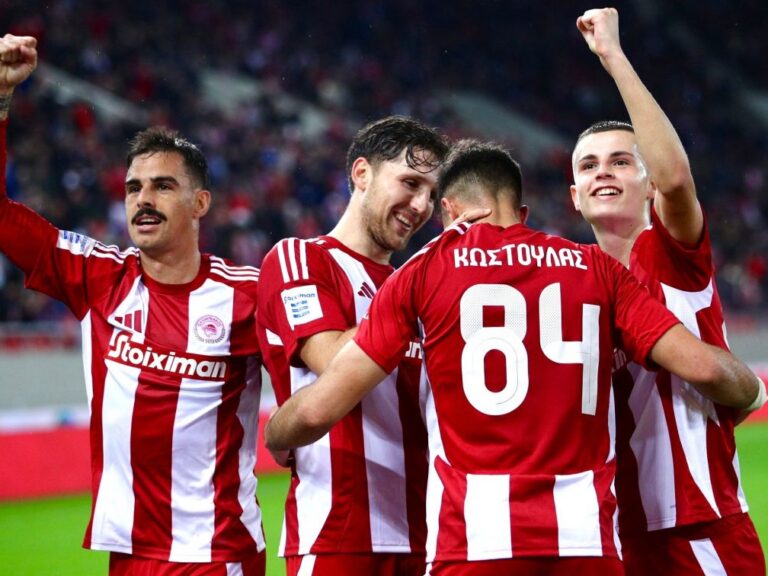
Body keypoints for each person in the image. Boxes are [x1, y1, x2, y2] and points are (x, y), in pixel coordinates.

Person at [264, 139, 764, 576]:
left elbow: (316, 410)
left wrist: (277, 436)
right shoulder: (594, 267)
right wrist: (751, 391)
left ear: (450, 211)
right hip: (586, 541)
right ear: (522, 212)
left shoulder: (424, 270)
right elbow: (704, 368)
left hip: (473, 543)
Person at [0, 34, 266, 575]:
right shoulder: (98, 276)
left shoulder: (250, 295)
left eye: (162, 186)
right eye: (133, 187)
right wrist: (0, 100)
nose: (143, 199)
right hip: (128, 554)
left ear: (200, 203)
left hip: (216, 555)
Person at [569, 9, 766, 575]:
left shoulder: (672, 253)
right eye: (589, 165)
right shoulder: (572, 282)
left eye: (621, 161)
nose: (603, 172)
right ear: (575, 194)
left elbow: (678, 181)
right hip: (613, 534)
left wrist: (613, 58)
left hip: (700, 527)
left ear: (648, 182)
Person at [256, 115, 449, 576]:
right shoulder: (301, 259)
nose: (421, 205)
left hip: (431, 538)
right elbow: (332, 360)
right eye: (410, 183)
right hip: (340, 537)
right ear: (362, 173)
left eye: (432, 194)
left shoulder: (421, 286)